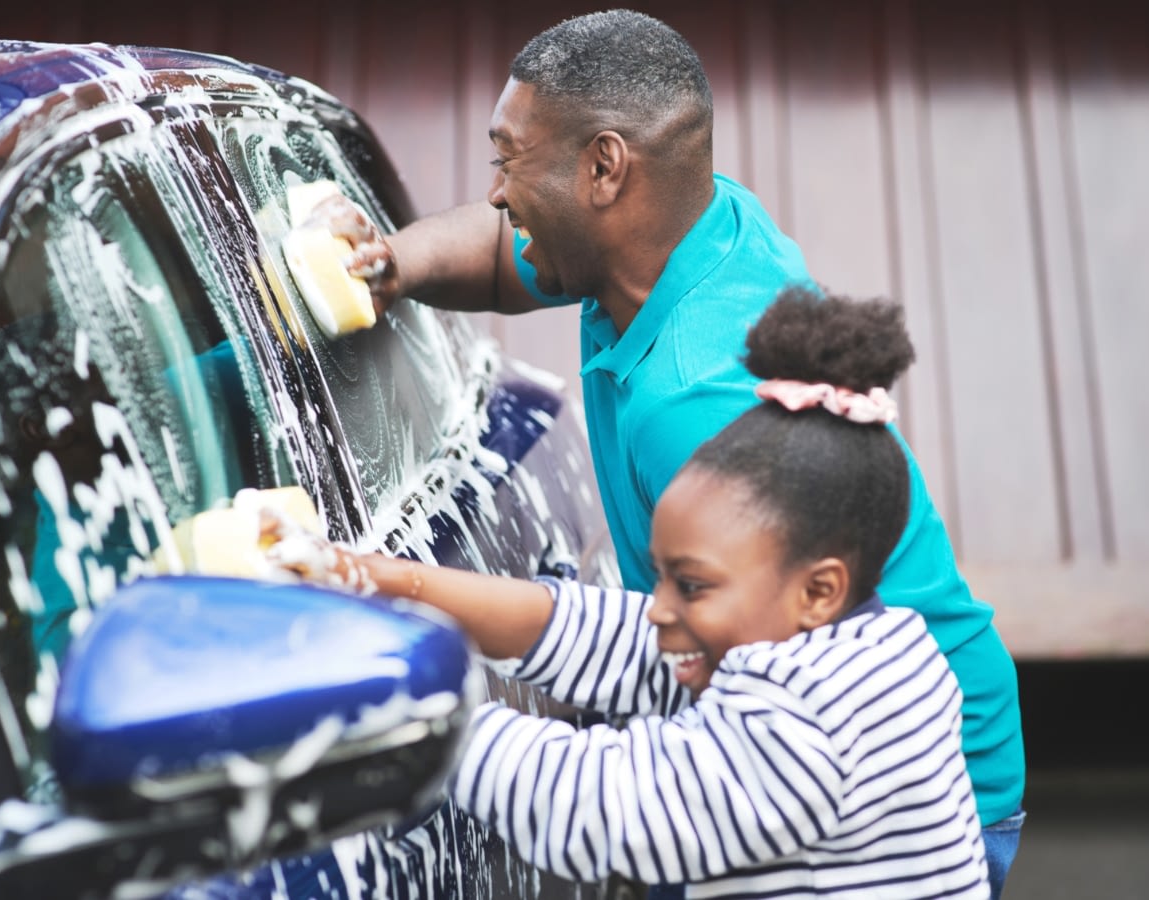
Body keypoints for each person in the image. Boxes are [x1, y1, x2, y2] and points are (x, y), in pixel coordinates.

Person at [315, 9, 1025, 890]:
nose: (496, 191)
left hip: (897, 794)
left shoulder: (699, 404)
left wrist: (394, 701)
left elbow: (608, 807)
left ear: (604, 168)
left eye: (509, 160)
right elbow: (507, 254)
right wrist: (393, 264)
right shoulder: (676, 231)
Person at [268, 289, 990, 898]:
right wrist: (382, 578)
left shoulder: (808, 724)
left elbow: (605, 806)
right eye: (666, 576)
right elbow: (604, 633)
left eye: (694, 585)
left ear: (819, 590)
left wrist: (401, 710)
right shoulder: (871, 643)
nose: (662, 606)